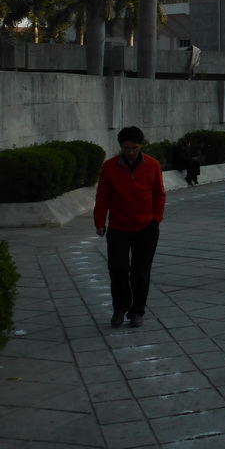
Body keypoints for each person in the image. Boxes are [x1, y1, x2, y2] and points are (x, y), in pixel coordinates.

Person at [94, 126, 166, 328]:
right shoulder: (110, 167)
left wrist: (156, 219)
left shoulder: (152, 165)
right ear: (120, 147)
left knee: (140, 272)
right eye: (126, 148)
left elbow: (159, 194)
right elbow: (102, 196)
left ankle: (137, 312)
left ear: (140, 146)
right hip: (118, 227)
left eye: (134, 148)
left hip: (146, 227)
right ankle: (120, 308)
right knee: (118, 268)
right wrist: (100, 222)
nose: (131, 152)